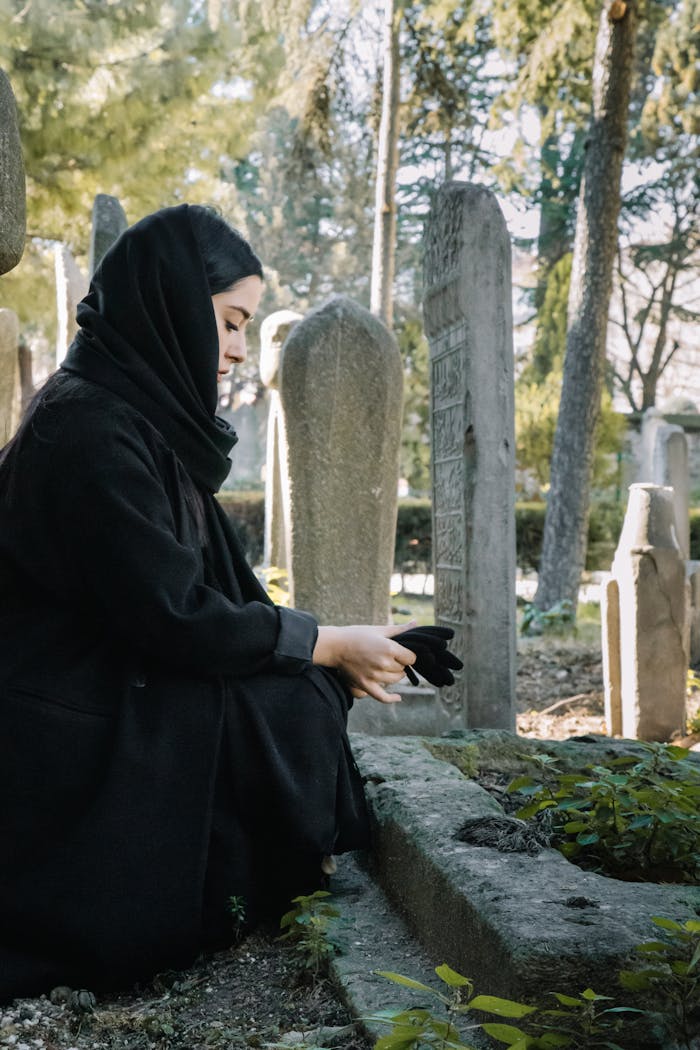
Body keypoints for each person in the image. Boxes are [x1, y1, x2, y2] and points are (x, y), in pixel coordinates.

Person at [0, 204, 437, 1002]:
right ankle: (214, 897)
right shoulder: (90, 431)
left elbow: (193, 594)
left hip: (108, 679)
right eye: (231, 323)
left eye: (245, 327)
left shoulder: (124, 413)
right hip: (65, 719)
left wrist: (329, 642)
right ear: (169, 302)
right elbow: (172, 615)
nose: (237, 350)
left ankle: (242, 879)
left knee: (299, 693)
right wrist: (326, 642)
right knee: (297, 701)